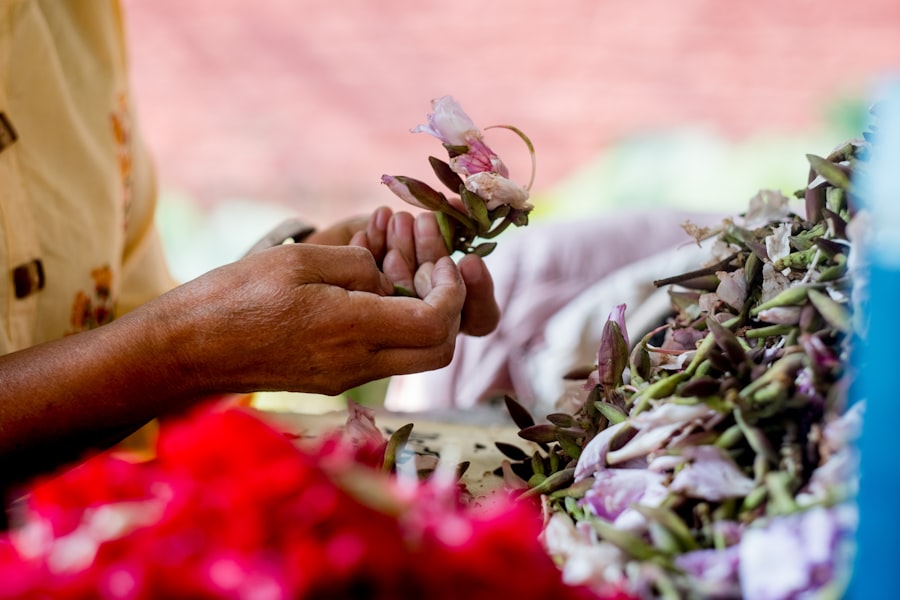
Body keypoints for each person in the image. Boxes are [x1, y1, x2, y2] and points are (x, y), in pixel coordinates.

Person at [0, 3, 498, 495]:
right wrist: (189, 347)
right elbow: (153, 356)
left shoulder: (79, 16)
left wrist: (285, 287)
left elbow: (130, 381)